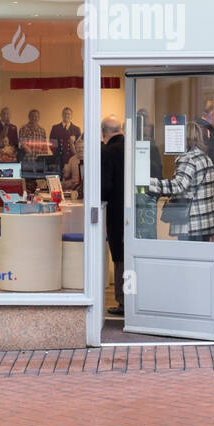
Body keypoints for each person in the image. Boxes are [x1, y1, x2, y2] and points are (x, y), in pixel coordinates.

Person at [147, 121, 214, 242]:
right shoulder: (205, 158)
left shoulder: (188, 159)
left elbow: (178, 185)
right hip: (206, 222)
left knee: (189, 258)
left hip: (191, 223)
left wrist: (148, 183)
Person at [99, 117, 126, 317]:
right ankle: (136, 300)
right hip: (140, 210)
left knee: (119, 257)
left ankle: (123, 302)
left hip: (117, 212)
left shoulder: (107, 152)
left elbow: (105, 187)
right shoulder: (135, 147)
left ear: (103, 132)